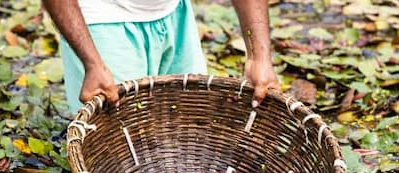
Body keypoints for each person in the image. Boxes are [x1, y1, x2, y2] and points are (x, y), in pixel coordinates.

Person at [42, 0, 279, 114]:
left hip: (172, 12)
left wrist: (259, 55)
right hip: (101, 18)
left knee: (192, 124)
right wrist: (92, 62)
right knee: (121, 143)